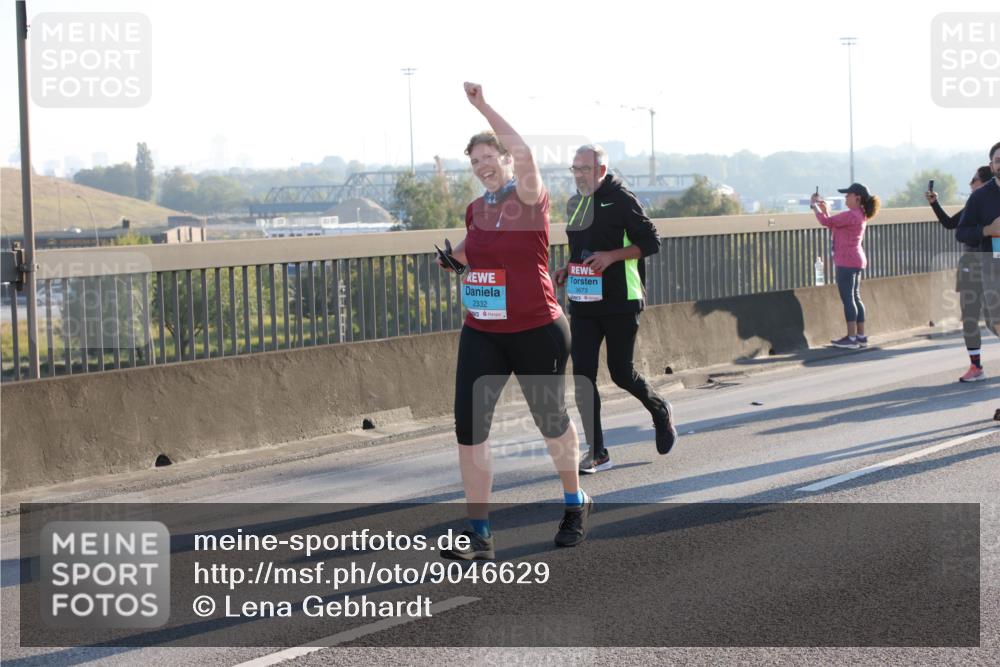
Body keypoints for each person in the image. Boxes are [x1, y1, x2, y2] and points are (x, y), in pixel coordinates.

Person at [436, 83, 591, 560]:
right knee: (470, 427)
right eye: (475, 161)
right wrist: (454, 260)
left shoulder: (529, 197)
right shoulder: (476, 209)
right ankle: (479, 533)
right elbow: (473, 249)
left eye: (489, 157)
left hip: (535, 328)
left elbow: (525, 152)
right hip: (483, 330)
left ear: (505, 160)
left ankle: (574, 501)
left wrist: (481, 106)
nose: (483, 165)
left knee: (550, 422)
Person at [552, 144, 676, 474]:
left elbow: (652, 242)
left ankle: (660, 410)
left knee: (622, 373)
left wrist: (611, 257)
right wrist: (567, 268)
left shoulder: (622, 199)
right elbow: (580, 247)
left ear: (601, 171)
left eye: (585, 169)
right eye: (574, 169)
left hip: (621, 300)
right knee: (582, 376)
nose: (578, 175)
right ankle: (597, 451)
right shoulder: (575, 203)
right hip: (583, 300)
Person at [926, 166, 994, 382]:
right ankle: (976, 366)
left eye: (973, 180)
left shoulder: (993, 205)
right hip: (969, 265)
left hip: (990, 266)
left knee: (994, 320)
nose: (970, 183)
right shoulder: (973, 203)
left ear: (985, 182)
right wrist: (935, 204)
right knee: (970, 316)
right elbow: (951, 225)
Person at [956, 141, 1000, 421]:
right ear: (992, 164)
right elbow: (961, 231)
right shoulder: (981, 197)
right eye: (998, 160)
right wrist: (987, 229)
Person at [811, 183, 881, 350]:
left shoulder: (851, 215)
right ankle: (861, 336)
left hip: (846, 261)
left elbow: (825, 222)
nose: (845, 197)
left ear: (857, 198)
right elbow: (833, 223)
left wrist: (814, 206)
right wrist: (824, 209)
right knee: (856, 297)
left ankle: (851, 338)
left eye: (848, 195)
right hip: (856, 259)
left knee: (848, 298)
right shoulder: (860, 214)